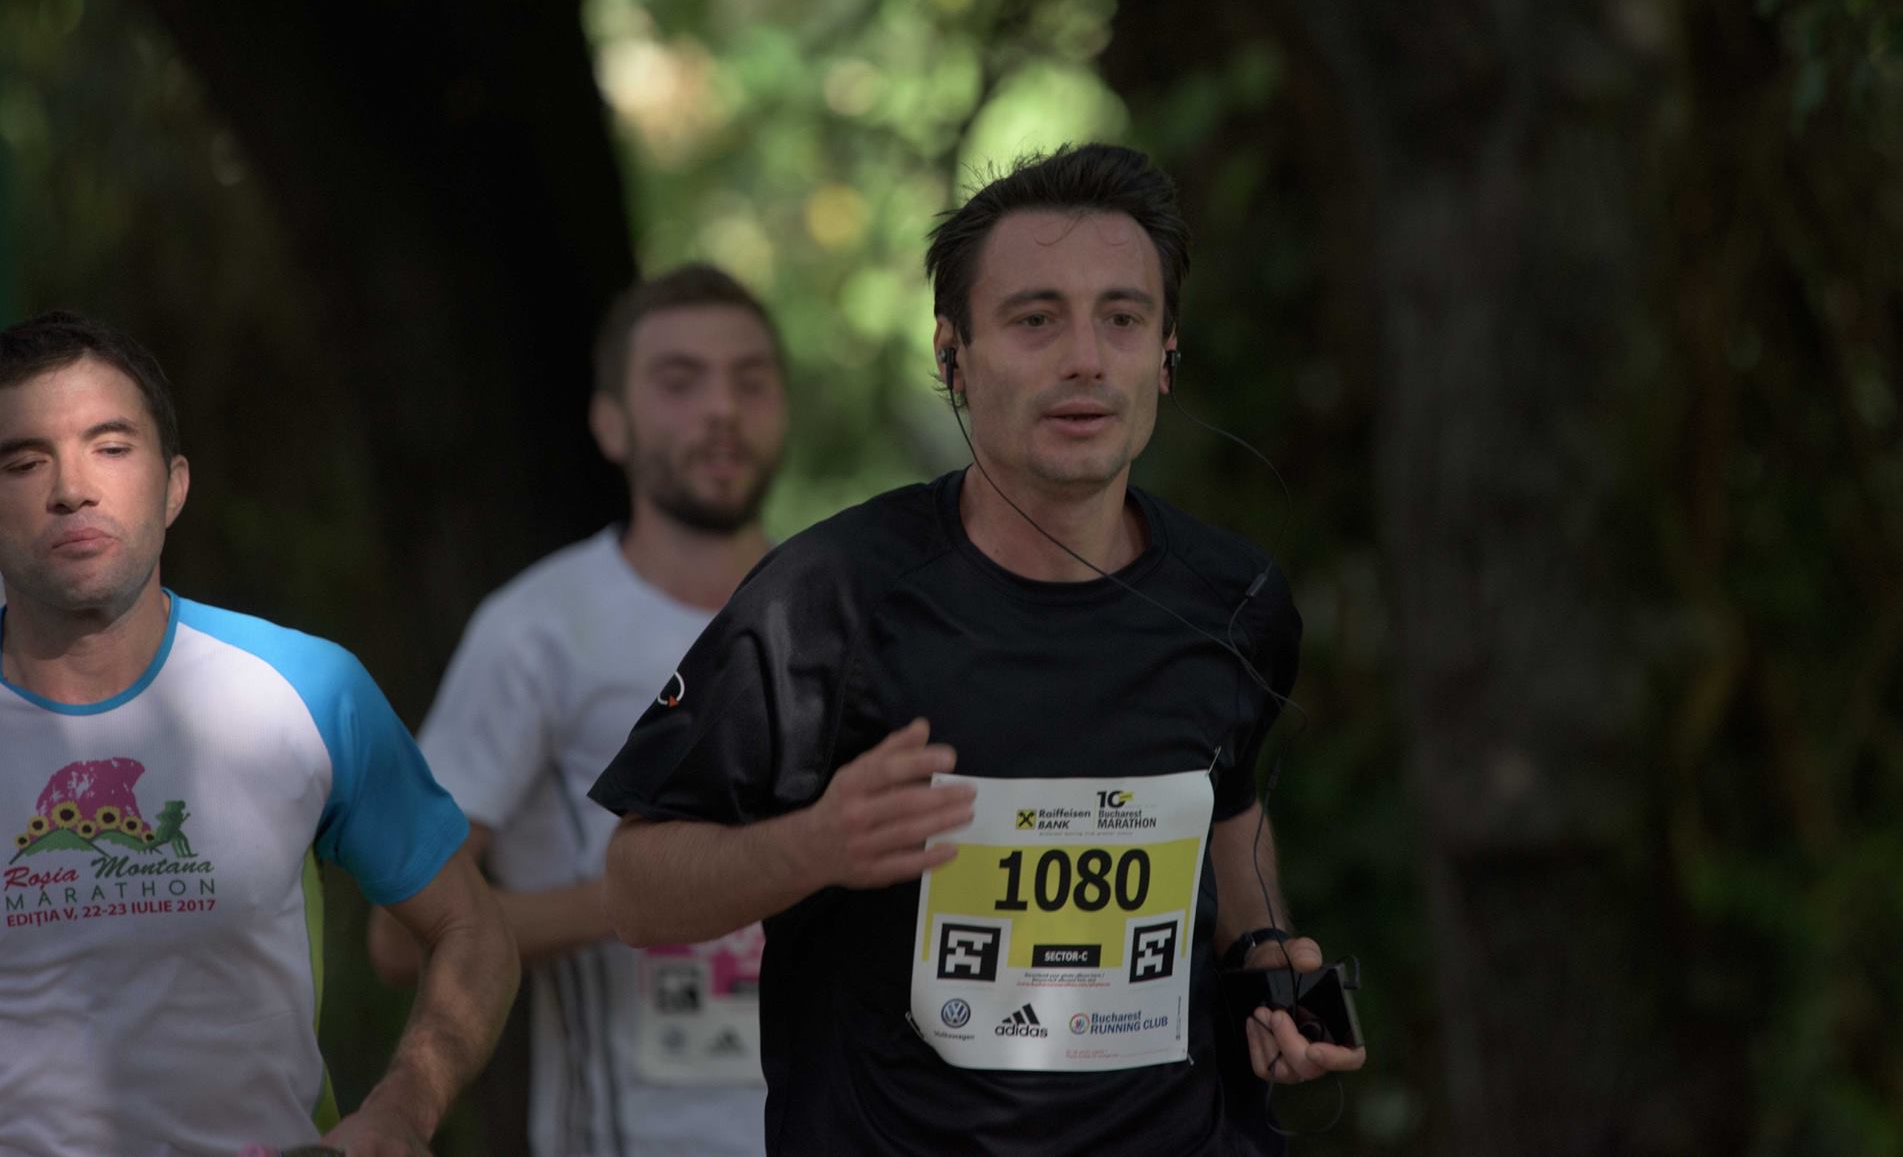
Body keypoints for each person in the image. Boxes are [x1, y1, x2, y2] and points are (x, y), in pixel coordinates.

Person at [591, 145, 1365, 1154]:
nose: (1084, 357)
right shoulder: (833, 599)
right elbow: (633, 888)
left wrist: (1265, 963)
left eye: (1121, 318)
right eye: (1035, 319)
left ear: (1165, 356)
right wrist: (813, 845)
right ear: (952, 356)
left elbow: (1228, 810)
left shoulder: (1236, 598)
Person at [0, 310, 517, 1157]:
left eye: (112, 446)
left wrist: (403, 1109)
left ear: (174, 485)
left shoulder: (307, 691)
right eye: (25, 461)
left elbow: (474, 931)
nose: (72, 487)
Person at [367, 265, 788, 1156]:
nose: (722, 408)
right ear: (610, 421)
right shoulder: (538, 633)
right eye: (679, 381)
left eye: (750, 380)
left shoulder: (847, 611)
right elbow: (402, 935)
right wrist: (688, 883)